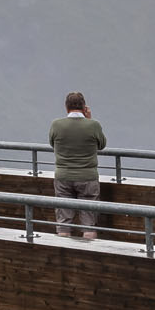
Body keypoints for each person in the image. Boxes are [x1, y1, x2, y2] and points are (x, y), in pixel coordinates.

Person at [48, 90, 106, 239]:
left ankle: (63, 253)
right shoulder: (93, 125)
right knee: (89, 222)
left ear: (66, 107)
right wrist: (89, 119)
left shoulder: (56, 125)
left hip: (63, 177)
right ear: (84, 107)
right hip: (88, 177)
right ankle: (90, 254)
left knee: (63, 223)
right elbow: (102, 145)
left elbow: (52, 143)